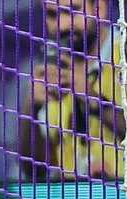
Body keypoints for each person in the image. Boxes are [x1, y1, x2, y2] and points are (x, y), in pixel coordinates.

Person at [19, 0, 123, 180]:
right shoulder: (50, 68)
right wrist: (32, 108)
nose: (62, 25)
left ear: (99, 8)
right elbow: (33, 170)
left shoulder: (123, 54)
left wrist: (92, 98)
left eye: (72, 11)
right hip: (70, 196)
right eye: (52, 15)